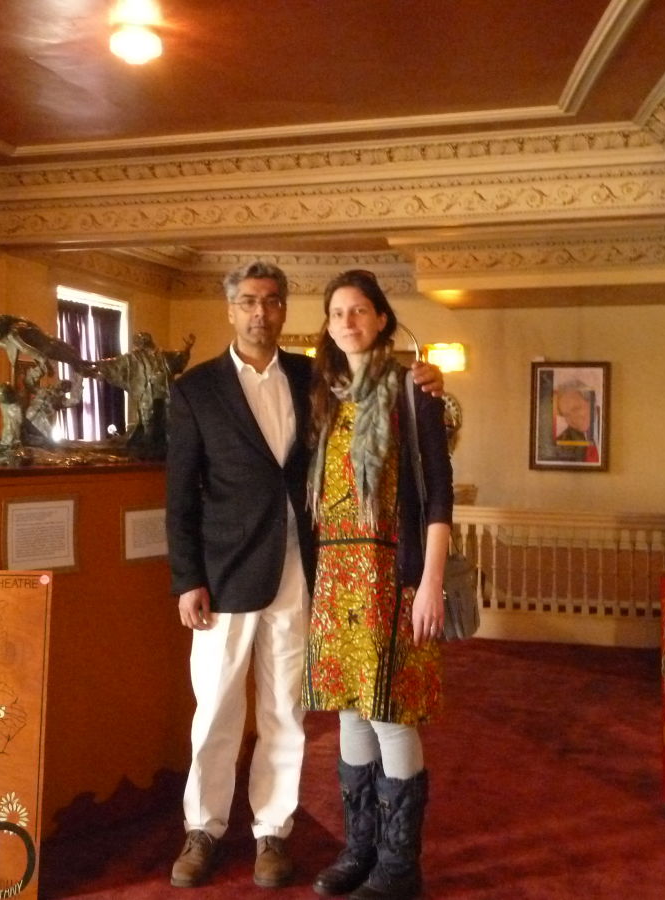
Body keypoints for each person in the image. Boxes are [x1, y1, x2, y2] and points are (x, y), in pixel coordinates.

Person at [165, 261, 443, 890]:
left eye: (271, 301)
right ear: (231, 309)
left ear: (285, 310)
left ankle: (272, 832)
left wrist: (431, 378)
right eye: (248, 301)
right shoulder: (196, 389)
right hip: (225, 578)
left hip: (305, 574)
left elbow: (388, 392)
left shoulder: (313, 377)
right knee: (216, 710)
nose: (259, 312)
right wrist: (187, 578)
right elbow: (179, 496)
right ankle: (203, 829)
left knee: (286, 712)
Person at [302, 269, 451, 899]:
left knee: (390, 714)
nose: (348, 322)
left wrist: (430, 581)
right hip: (336, 577)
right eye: (337, 312)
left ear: (382, 318)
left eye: (359, 310)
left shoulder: (412, 390)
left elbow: (438, 495)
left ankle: (399, 866)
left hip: (393, 574)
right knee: (349, 713)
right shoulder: (324, 395)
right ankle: (359, 850)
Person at [81, 331, 194, 457]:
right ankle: (149, 447)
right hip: (147, 393)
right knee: (148, 420)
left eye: (145, 339)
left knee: (168, 419)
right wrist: (95, 365)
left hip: (164, 392)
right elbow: (115, 363)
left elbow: (179, 358)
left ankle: (167, 448)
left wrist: (187, 348)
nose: (143, 342)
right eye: (140, 340)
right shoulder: (133, 357)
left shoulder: (163, 354)